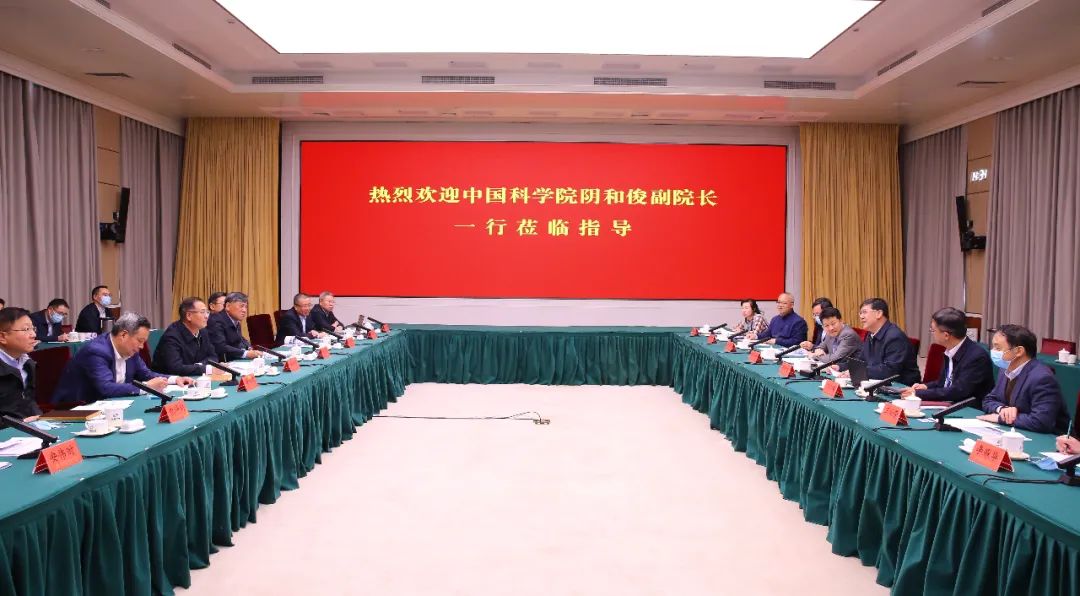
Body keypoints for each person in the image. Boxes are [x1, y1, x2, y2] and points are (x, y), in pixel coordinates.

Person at [51, 312, 193, 405]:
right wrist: (147, 387)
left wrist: (174, 379)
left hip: (111, 406)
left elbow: (146, 374)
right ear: (123, 335)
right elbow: (106, 388)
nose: (142, 347)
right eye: (140, 341)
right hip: (76, 409)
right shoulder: (96, 351)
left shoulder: (130, 351)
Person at [978, 324, 1069, 434]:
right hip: (1014, 431)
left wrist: (1000, 418)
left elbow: (1041, 421)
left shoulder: (1042, 378)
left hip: (1050, 438)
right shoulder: (1005, 368)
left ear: (1019, 351)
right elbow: (988, 400)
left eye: (998, 348)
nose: (993, 351)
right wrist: (1002, 409)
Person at [902, 307, 994, 405]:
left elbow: (959, 391)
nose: (932, 333)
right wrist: (926, 386)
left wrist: (918, 394)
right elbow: (944, 382)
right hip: (949, 402)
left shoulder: (976, 357)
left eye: (933, 330)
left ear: (946, 335)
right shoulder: (950, 350)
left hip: (968, 408)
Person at [855, 298, 921, 386]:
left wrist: (858, 371)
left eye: (864, 312)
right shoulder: (870, 334)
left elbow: (889, 371)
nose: (861, 316)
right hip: (878, 382)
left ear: (879, 313)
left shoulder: (895, 337)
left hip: (901, 387)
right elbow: (861, 360)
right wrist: (842, 367)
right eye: (860, 313)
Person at [152, 297, 218, 376]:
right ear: (189, 315)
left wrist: (199, 366)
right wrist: (205, 369)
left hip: (195, 377)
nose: (206, 316)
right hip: (169, 380)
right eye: (202, 312)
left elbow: (213, 357)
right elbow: (176, 368)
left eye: (207, 312)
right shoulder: (172, 336)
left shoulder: (203, 331)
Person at [0, 307, 42, 420]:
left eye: (33, 328)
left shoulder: (28, 364)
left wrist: (39, 418)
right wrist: (19, 423)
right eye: (26, 329)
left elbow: (29, 400)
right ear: (2, 337)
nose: (33, 334)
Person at [208, 292, 263, 362]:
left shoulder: (235, 320)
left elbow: (240, 339)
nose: (244, 310)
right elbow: (221, 347)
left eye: (246, 307)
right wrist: (246, 353)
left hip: (234, 360)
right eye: (241, 306)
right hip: (221, 363)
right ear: (228, 306)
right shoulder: (215, 321)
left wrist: (249, 347)